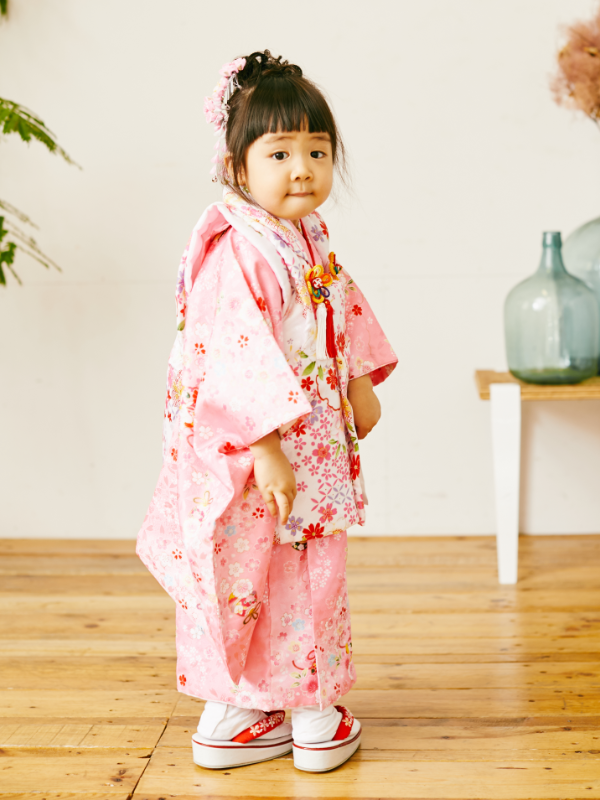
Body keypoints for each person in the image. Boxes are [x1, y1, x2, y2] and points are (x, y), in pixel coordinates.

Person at [137, 50, 397, 773]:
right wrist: (265, 445)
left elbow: (334, 307)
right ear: (238, 168)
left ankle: (246, 714)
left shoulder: (306, 239)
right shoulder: (239, 250)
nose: (303, 168)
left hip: (301, 432)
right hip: (259, 445)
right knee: (261, 568)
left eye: (316, 150)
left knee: (287, 565)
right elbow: (229, 351)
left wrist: (356, 381)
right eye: (279, 152)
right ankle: (305, 712)